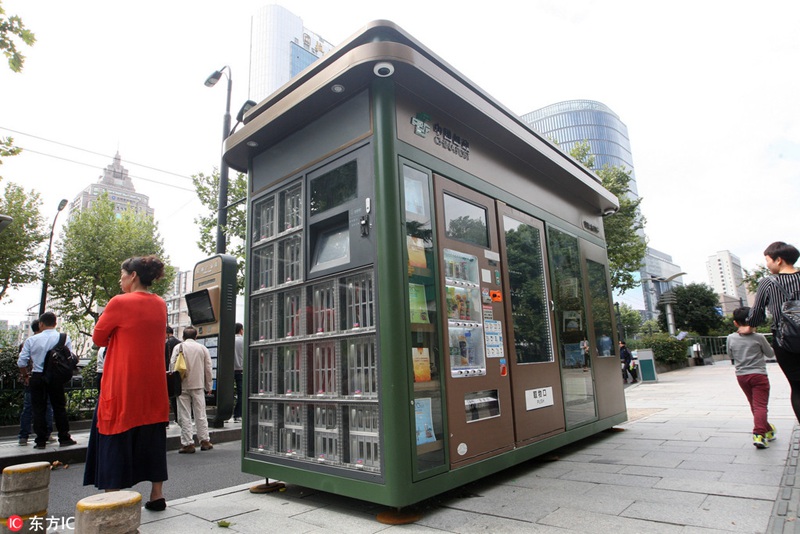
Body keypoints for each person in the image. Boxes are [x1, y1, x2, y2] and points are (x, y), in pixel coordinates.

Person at [84, 255, 170, 512]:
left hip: (122, 383)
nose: (120, 281)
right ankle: (157, 495)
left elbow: (99, 338)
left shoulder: (118, 302)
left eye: (122, 276)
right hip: (153, 386)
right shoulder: (161, 304)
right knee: (152, 436)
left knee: (116, 435)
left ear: (133, 276)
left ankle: (114, 496)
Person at [747, 241, 800, 423]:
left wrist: (749, 325)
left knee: (797, 387)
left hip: (785, 341)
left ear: (779, 260)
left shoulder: (768, 282)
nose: (767, 264)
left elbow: (757, 315)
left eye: (768, 260)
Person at [17, 312, 77, 449]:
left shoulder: (31, 340)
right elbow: (70, 357)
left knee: (39, 409)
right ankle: (64, 436)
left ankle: (40, 440)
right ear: (55, 323)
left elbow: (21, 362)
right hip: (56, 377)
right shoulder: (64, 338)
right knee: (59, 407)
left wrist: (26, 376)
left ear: (41, 324)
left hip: (37, 376)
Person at [728, 307, 776, 449]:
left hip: (742, 376)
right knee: (760, 406)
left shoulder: (730, 338)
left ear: (735, 323)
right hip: (759, 375)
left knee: (755, 406)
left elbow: (730, 355)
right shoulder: (759, 338)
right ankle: (759, 434)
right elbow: (770, 354)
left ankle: (768, 429)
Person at [170, 326, 213, 453]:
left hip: (182, 385)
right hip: (198, 385)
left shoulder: (178, 347)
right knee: (200, 413)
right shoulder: (202, 348)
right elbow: (208, 368)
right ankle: (204, 440)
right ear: (196, 337)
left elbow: (172, 366)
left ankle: (188, 443)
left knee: (185, 414)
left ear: (183, 336)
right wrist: (209, 386)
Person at [17, 320, 54, 446]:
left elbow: (22, 362)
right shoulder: (43, 341)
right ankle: (46, 433)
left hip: (31, 379)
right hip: (41, 378)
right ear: (41, 326)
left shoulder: (28, 342)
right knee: (46, 406)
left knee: (29, 407)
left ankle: (24, 436)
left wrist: (25, 376)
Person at [165, 326, 181, 423]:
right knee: (176, 396)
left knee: (167, 397)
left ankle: (166, 420)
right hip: (176, 372)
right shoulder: (179, 343)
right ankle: (177, 418)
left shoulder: (166, 343)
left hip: (166, 371)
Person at [233, 323, 244, 423]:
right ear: (241, 330)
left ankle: (226, 414)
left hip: (229, 370)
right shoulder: (243, 340)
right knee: (241, 393)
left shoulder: (230, 340)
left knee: (228, 393)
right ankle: (237, 415)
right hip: (240, 369)